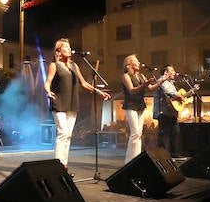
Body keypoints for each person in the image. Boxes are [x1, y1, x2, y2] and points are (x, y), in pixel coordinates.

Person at [44, 38, 111, 174]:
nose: (69, 50)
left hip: (72, 103)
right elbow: (47, 82)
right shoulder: (54, 65)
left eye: (69, 47)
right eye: (66, 47)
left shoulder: (74, 66)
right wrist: (47, 92)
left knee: (68, 135)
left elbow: (84, 83)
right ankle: (58, 166)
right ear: (59, 51)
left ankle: (64, 165)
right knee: (62, 133)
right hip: (59, 101)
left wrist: (99, 92)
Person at [122, 54, 151, 163]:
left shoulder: (141, 75)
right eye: (136, 61)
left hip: (140, 105)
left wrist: (162, 80)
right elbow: (132, 90)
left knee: (139, 133)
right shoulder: (126, 76)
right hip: (131, 105)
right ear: (129, 64)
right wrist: (145, 84)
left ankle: (136, 159)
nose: (139, 63)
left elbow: (151, 88)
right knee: (135, 133)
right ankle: (129, 161)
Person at [152, 65, 186, 157]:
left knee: (175, 133)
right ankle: (160, 155)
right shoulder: (161, 81)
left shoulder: (171, 83)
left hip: (171, 112)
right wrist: (179, 96)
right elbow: (168, 92)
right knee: (164, 134)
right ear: (166, 72)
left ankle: (174, 154)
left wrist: (185, 95)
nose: (174, 72)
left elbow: (175, 97)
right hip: (163, 111)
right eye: (172, 70)